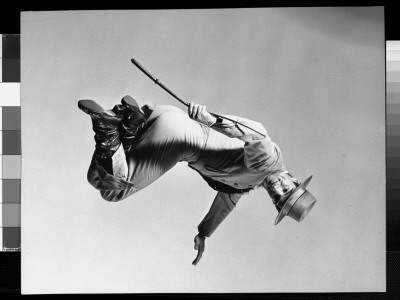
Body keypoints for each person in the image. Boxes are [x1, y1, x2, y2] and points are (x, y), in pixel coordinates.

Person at [78, 95, 317, 265]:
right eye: (287, 190)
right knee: (112, 190)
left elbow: (227, 202)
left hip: (167, 116)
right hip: (177, 139)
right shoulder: (270, 162)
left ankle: (131, 125)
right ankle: (108, 127)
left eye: (278, 200)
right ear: (294, 179)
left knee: (106, 173)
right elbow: (258, 136)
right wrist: (213, 120)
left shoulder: (249, 182)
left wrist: (204, 232)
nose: (278, 191)